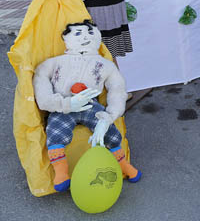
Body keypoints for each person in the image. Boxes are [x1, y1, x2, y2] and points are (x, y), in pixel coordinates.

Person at [33, 20, 141, 192]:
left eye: (90, 32)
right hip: (64, 105)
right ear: (65, 38)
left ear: (98, 36)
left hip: (91, 106)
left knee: (111, 133)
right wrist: (64, 103)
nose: (85, 36)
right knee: (55, 131)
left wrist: (109, 117)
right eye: (77, 33)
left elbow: (117, 90)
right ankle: (61, 172)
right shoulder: (54, 63)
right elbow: (41, 84)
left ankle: (124, 165)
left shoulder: (106, 64)